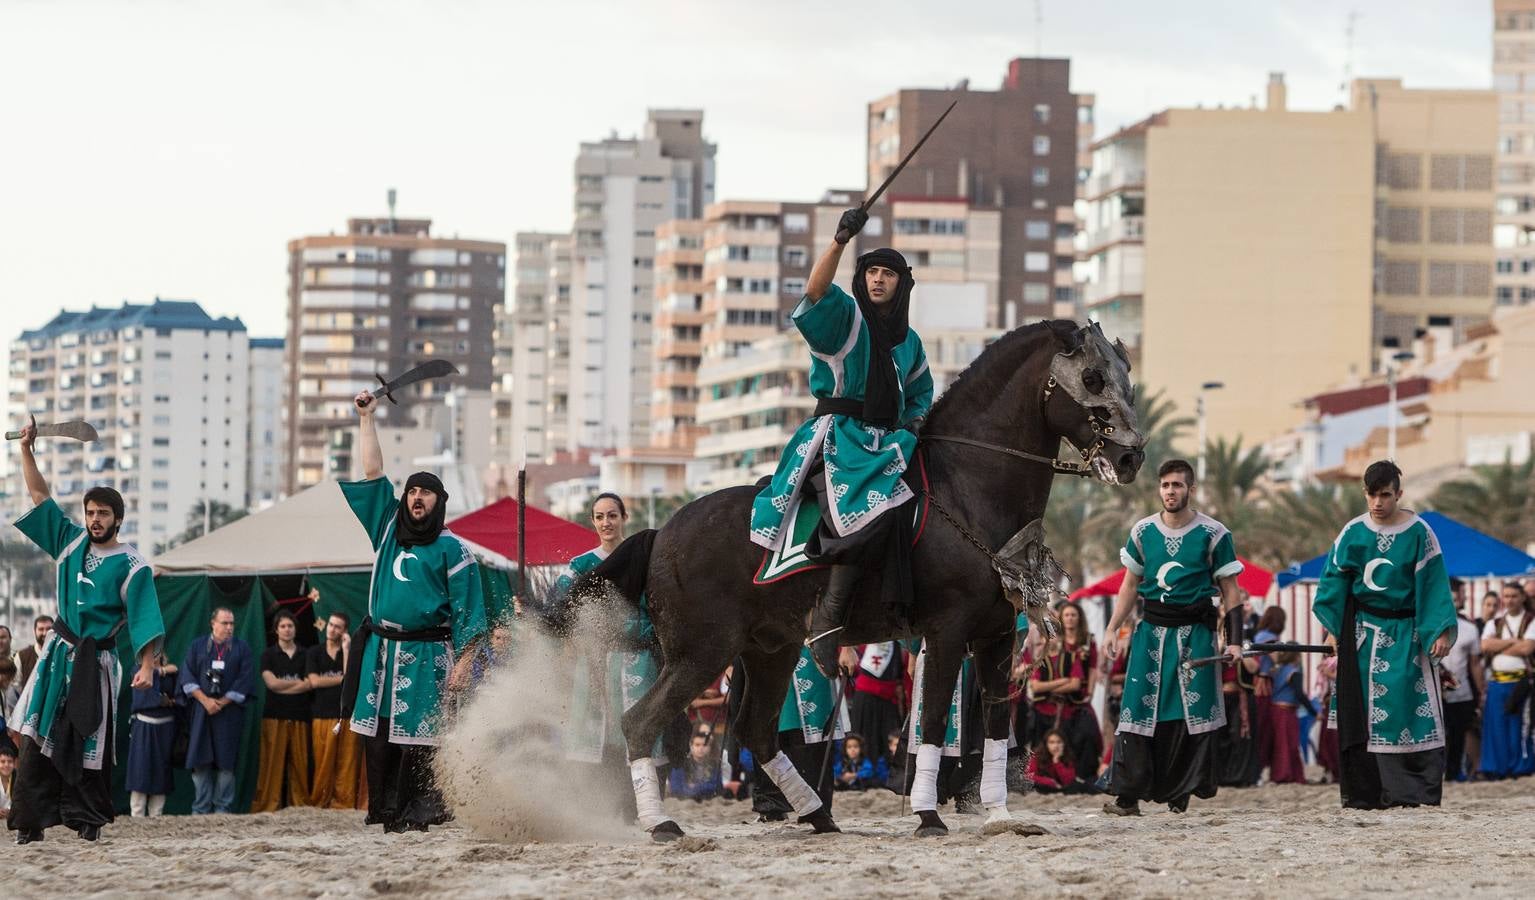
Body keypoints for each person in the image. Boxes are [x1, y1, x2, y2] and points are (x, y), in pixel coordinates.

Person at [748, 208, 934, 677]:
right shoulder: (846, 320)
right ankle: (829, 619)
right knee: (867, 513)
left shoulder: (910, 342)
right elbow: (813, 292)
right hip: (838, 438)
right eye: (870, 272)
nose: (876, 280)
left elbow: (920, 395)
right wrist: (838, 242)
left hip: (888, 444)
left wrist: (912, 424)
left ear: (901, 285)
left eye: (887, 274)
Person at [7, 420, 165, 845]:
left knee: (88, 737)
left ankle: (87, 820)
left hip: (97, 662)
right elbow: (40, 497)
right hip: (57, 654)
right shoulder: (70, 543)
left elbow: (146, 620)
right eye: (91, 512)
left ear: (118, 519)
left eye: (103, 514)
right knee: (37, 733)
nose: (95, 519)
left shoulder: (134, 566)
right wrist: (27, 449)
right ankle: (30, 821)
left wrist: (147, 666)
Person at [342, 390, 487, 833]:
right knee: (380, 734)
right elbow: (372, 471)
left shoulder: (453, 550)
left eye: (425, 491)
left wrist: (464, 662)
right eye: (412, 490)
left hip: (428, 654)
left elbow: (470, 614)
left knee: (421, 738)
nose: (416, 497)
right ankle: (383, 810)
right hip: (381, 650)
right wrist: (367, 418)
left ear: (438, 501)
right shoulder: (387, 528)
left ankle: (417, 812)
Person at [1102, 458, 1245, 816]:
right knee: (1138, 710)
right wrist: (1112, 627)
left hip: (1194, 634)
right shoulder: (1142, 532)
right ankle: (1128, 796)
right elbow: (1130, 585)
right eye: (1165, 485)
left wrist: (1235, 640)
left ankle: (1180, 792)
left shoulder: (1214, 534)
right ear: (1159, 489)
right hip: (1150, 633)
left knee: (1187, 712)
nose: (1170, 491)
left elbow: (1231, 592)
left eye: (1177, 485)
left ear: (1190, 489)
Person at [1314, 460, 1457, 809]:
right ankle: (1369, 793)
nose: (1377, 503)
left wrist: (1437, 629)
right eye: (1371, 495)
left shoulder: (1420, 532)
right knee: (1363, 713)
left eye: (1385, 495)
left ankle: (1414, 792)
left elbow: (1434, 583)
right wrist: (1334, 630)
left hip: (1407, 636)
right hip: (1363, 636)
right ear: (1363, 494)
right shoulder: (1352, 532)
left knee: (1406, 710)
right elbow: (1333, 583)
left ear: (1399, 494)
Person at [557, 492, 662, 821]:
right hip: (596, 661)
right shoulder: (580, 565)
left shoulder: (644, 558)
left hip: (637, 658)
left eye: (612, 515)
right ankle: (598, 807)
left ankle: (636, 806)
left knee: (636, 730)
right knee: (598, 734)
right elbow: (561, 602)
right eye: (600, 516)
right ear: (592, 521)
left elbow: (654, 607)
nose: (606, 522)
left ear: (624, 518)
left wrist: (644, 638)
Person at [752, 645, 850, 822]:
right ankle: (773, 808)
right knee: (775, 734)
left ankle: (819, 809)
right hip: (774, 652)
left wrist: (848, 647)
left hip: (812, 651)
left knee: (813, 737)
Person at [181, 607, 255, 814]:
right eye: (225, 623)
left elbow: (245, 680)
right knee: (200, 758)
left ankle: (223, 809)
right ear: (213, 623)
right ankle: (201, 809)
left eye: (232, 623)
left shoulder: (242, 648)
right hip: (201, 713)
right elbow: (187, 677)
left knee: (226, 761)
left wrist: (221, 702)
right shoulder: (197, 647)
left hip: (229, 715)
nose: (229, 627)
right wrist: (206, 701)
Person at [1025, 602, 1102, 782]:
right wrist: (1062, 682)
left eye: (1073, 615)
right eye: (1066, 615)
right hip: (1050, 699)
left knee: (1087, 732)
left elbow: (1089, 669)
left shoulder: (1086, 641)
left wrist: (1088, 689)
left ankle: (1082, 773)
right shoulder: (1046, 656)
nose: (1069, 618)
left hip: (1076, 696)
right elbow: (1036, 686)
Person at [253, 610, 313, 812]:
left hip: (300, 715)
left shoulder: (306, 654)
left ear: (295, 629)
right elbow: (271, 684)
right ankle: (268, 805)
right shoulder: (268, 655)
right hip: (274, 715)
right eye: (283, 626)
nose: (287, 630)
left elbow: (309, 684)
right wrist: (297, 684)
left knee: (299, 765)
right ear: (276, 630)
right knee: (272, 765)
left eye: (290, 626)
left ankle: (299, 806)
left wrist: (285, 684)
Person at [307, 610, 364, 809]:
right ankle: (320, 801)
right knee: (323, 762)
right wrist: (340, 678)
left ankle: (343, 802)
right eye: (331, 624)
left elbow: (350, 679)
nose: (332, 629)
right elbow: (313, 681)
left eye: (337, 626)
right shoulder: (315, 652)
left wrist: (347, 650)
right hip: (321, 715)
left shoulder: (348, 651)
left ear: (344, 631)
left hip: (346, 716)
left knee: (347, 762)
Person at [1478, 581, 1535, 780]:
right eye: (1507, 596)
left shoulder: (1530, 621)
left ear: (1522, 598)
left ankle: (1519, 767)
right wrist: (1512, 642)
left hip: (1520, 683)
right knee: (1495, 727)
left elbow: (1527, 648)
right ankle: (1496, 768)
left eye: (1514, 596)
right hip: (1496, 683)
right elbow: (1484, 645)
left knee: (1519, 726)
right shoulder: (1494, 622)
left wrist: (1498, 646)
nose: (1509, 600)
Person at [125, 652, 179, 816]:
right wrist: (161, 672)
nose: (153, 657)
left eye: (157, 654)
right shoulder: (137, 671)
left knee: (161, 772)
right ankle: (137, 815)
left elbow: (177, 695)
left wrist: (165, 673)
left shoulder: (172, 673)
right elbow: (147, 698)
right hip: (144, 729)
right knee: (140, 772)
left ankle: (157, 815)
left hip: (165, 730)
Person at [1441, 603, 1484, 783]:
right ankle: (1437, 772)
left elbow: (1474, 664)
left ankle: (1454, 772)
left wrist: (1481, 691)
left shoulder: (1469, 629)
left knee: (1459, 733)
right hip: (1432, 689)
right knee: (1438, 734)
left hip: (1462, 690)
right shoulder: (1425, 625)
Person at [849, 641, 905, 768]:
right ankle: (863, 771)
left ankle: (889, 772)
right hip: (867, 694)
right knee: (865, 739)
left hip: (889, 695)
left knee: (890, 739)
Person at [1267, 651, 1317, 784]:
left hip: (1274, 709)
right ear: (1296, 656)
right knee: (1289, 743)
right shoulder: (1294, 672)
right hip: (1286, 711)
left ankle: (1282, 774)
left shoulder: (1276, 670)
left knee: (1280, 743)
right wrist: (1313, 712)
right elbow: (1300, 694)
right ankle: (1286, 775)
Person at [1250, 605, 1286, 780]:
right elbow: (1277, 660)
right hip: (1264, 684)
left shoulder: (1259, 635)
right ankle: (1260, 768)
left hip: (1259, 682)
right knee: (1264, 729)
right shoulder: (1270, 638)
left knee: (1260, 727)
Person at [1026, 729, 1099, 794]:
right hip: (1045, 787)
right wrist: (1049, 782)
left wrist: (1057, 762)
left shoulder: (1067, 756)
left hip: (1063, 789)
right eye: (1052, 742)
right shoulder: (1037, 756)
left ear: (1064, 744)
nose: (1055, 746)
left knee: (1078, 786)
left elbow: (1068, 781)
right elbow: (1029, 776)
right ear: (1046, 744)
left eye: (1059, 742)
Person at [667, 730, 723, 801]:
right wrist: (696, 790)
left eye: (705, 745)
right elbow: (676, 788)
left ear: (710, 747)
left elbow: (717, 787)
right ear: (691, 746)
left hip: (709, 803)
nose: (701, 748)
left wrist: (696, 787)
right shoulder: (680, 764)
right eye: (697, 745)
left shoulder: (714, 765)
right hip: (684, 804)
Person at [15, 616, 52, 692]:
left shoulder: (60, 655)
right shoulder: (22, 656)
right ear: (35, 631)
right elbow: (15, 686)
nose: (45, 633)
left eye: (48, 629)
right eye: (41, 629)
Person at [0, 741, 16, 817]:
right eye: (2, 762)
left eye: (10, 762)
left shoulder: (18, 779)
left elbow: (23, 802)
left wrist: (11, 811)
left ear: (14, 764)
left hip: (13, 821)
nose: (6, 765)